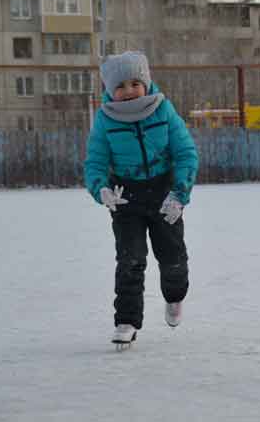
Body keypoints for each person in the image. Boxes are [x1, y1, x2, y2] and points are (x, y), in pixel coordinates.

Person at [84, 51, 199, 347]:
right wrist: (102, 190)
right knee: (130, 260)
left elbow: (185, 153)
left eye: (136, 83)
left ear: (146, 83)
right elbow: (95, 162)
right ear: (110, 90)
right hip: (126, 199)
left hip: (164, 195)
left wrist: (179, 193)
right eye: (120, 86)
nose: (129, 91)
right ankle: (127, 321)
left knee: (172, 258)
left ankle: (174, 297)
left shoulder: (163, 110)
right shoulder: (105, 119)